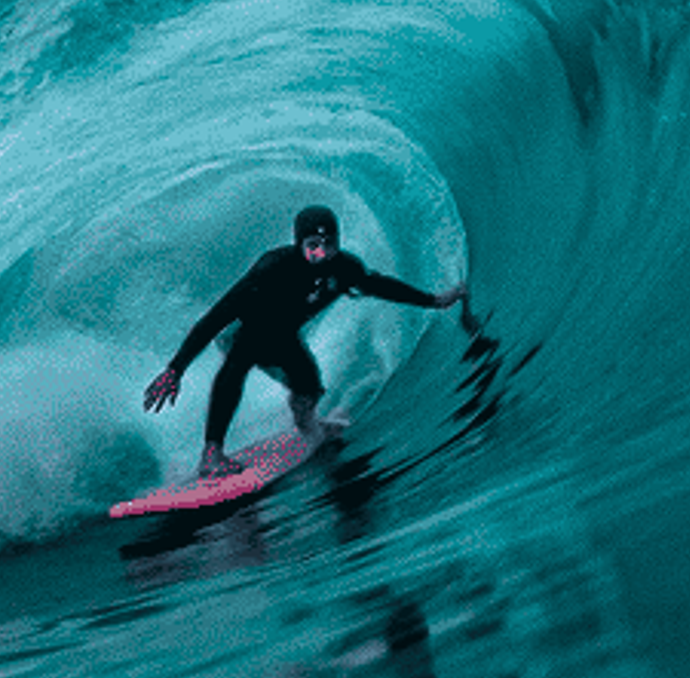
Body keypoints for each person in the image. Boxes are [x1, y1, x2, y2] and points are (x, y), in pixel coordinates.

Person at [143, 204, 469, 476]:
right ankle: (211, 454)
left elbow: (381, 286)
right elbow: (217, 316)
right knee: (236, 368)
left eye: (328, 246)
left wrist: (434, 300)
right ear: (299, 243)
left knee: (310, 387)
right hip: (247, 331)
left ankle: (308, 426)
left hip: (284, 337)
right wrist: (176, 370)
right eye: (312, 245)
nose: (321, 254)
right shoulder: (272, 268)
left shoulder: (344, 268)